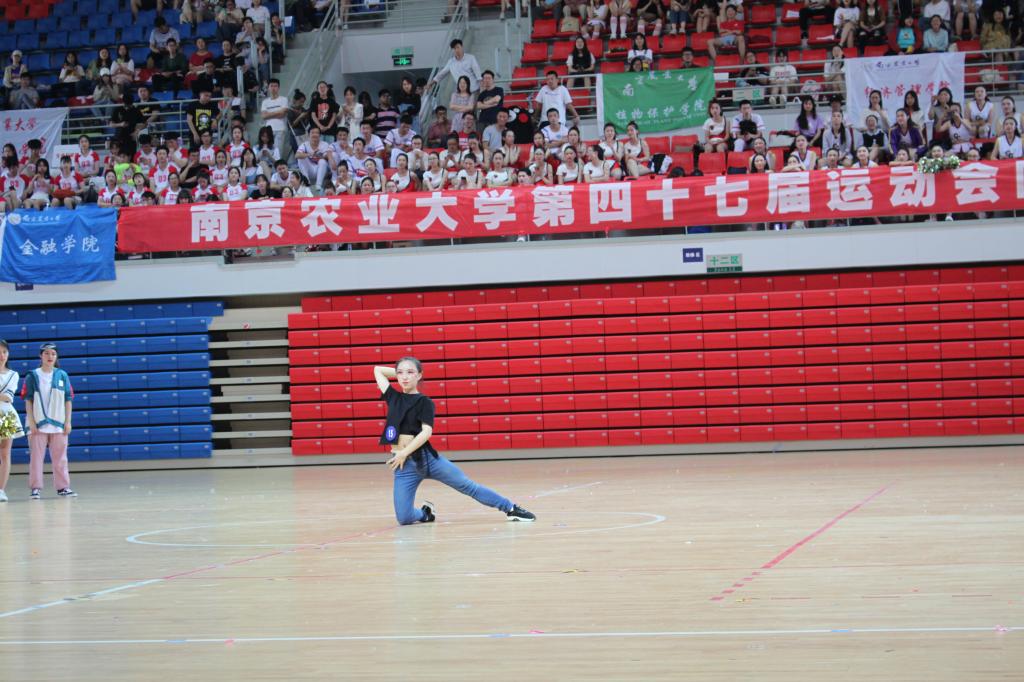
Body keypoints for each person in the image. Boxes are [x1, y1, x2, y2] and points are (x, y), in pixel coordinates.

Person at [374, 359, 535, 525]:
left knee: (468, 486)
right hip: (403, 465)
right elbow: (377, 370)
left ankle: (510, 508)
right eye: (400, 373)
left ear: (420, 375)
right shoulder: (393, 397)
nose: (404, 377)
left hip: (427, 460)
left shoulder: (424, 402)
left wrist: (404, 453)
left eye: (410, 372)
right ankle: (425, 514)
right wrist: (402, 373)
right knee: (404, 518)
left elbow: (426, 432)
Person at [22, 343, 76, 499]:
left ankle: (63, 487)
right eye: (46, 353)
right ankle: (35, 488)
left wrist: (68, 422)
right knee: (36, 458)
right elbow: (28, 400)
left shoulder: (62, 375)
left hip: (58, 424)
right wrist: (31, 422)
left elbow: (68, 399)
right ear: (40, 356)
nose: (50, 356)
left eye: (53, 353)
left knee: (61, 458)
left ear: (56, 356)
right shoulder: (32, 375)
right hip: (38, 424)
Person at [0, 339, 25, 502]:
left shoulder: (13, 375)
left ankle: (1, 490)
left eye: (4, 352)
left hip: (6, 416)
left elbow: (8, 397)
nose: (2, 356)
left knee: (5, 452)